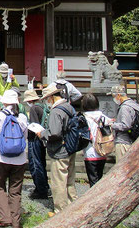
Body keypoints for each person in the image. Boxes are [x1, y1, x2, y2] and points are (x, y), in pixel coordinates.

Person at [0, 90, 28, 228]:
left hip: (2, 157)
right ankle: (16, 221)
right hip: (20, 158)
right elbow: (25, 137)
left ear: (4, 102)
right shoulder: (22, 117)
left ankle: (5, 218)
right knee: (15, 190)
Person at [37, 83, 76, 217]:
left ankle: (60, 211)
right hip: (70, 147)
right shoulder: (69, 107)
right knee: (70, 179)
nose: (47, 101)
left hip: (59, 150)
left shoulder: (56, 111)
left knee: (59, 181)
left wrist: (42, 134)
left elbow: (54, 133)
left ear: (52, 97)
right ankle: (73, 205)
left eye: (47, 98)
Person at [23, 89, 50, 199]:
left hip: (35, 139)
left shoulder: (34, 108)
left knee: (35, 164)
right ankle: (44, 186)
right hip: (42, 138)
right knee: (41, 163)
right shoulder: (43, 107)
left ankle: (40, 189)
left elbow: (34, 126)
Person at [82, 94, 112, 187]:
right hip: (103, 150)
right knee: (99, 175)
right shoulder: (104, 117)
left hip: (89, 150)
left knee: (92, 178)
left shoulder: (84, 118)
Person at [110, 85, 139, 162]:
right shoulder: (134, 105)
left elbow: (125, 125)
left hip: (123, 142)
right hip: (132, 140)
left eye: (113, 96)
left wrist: (112, 124)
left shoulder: (125, 107)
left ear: (119, 95)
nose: (114, 99)